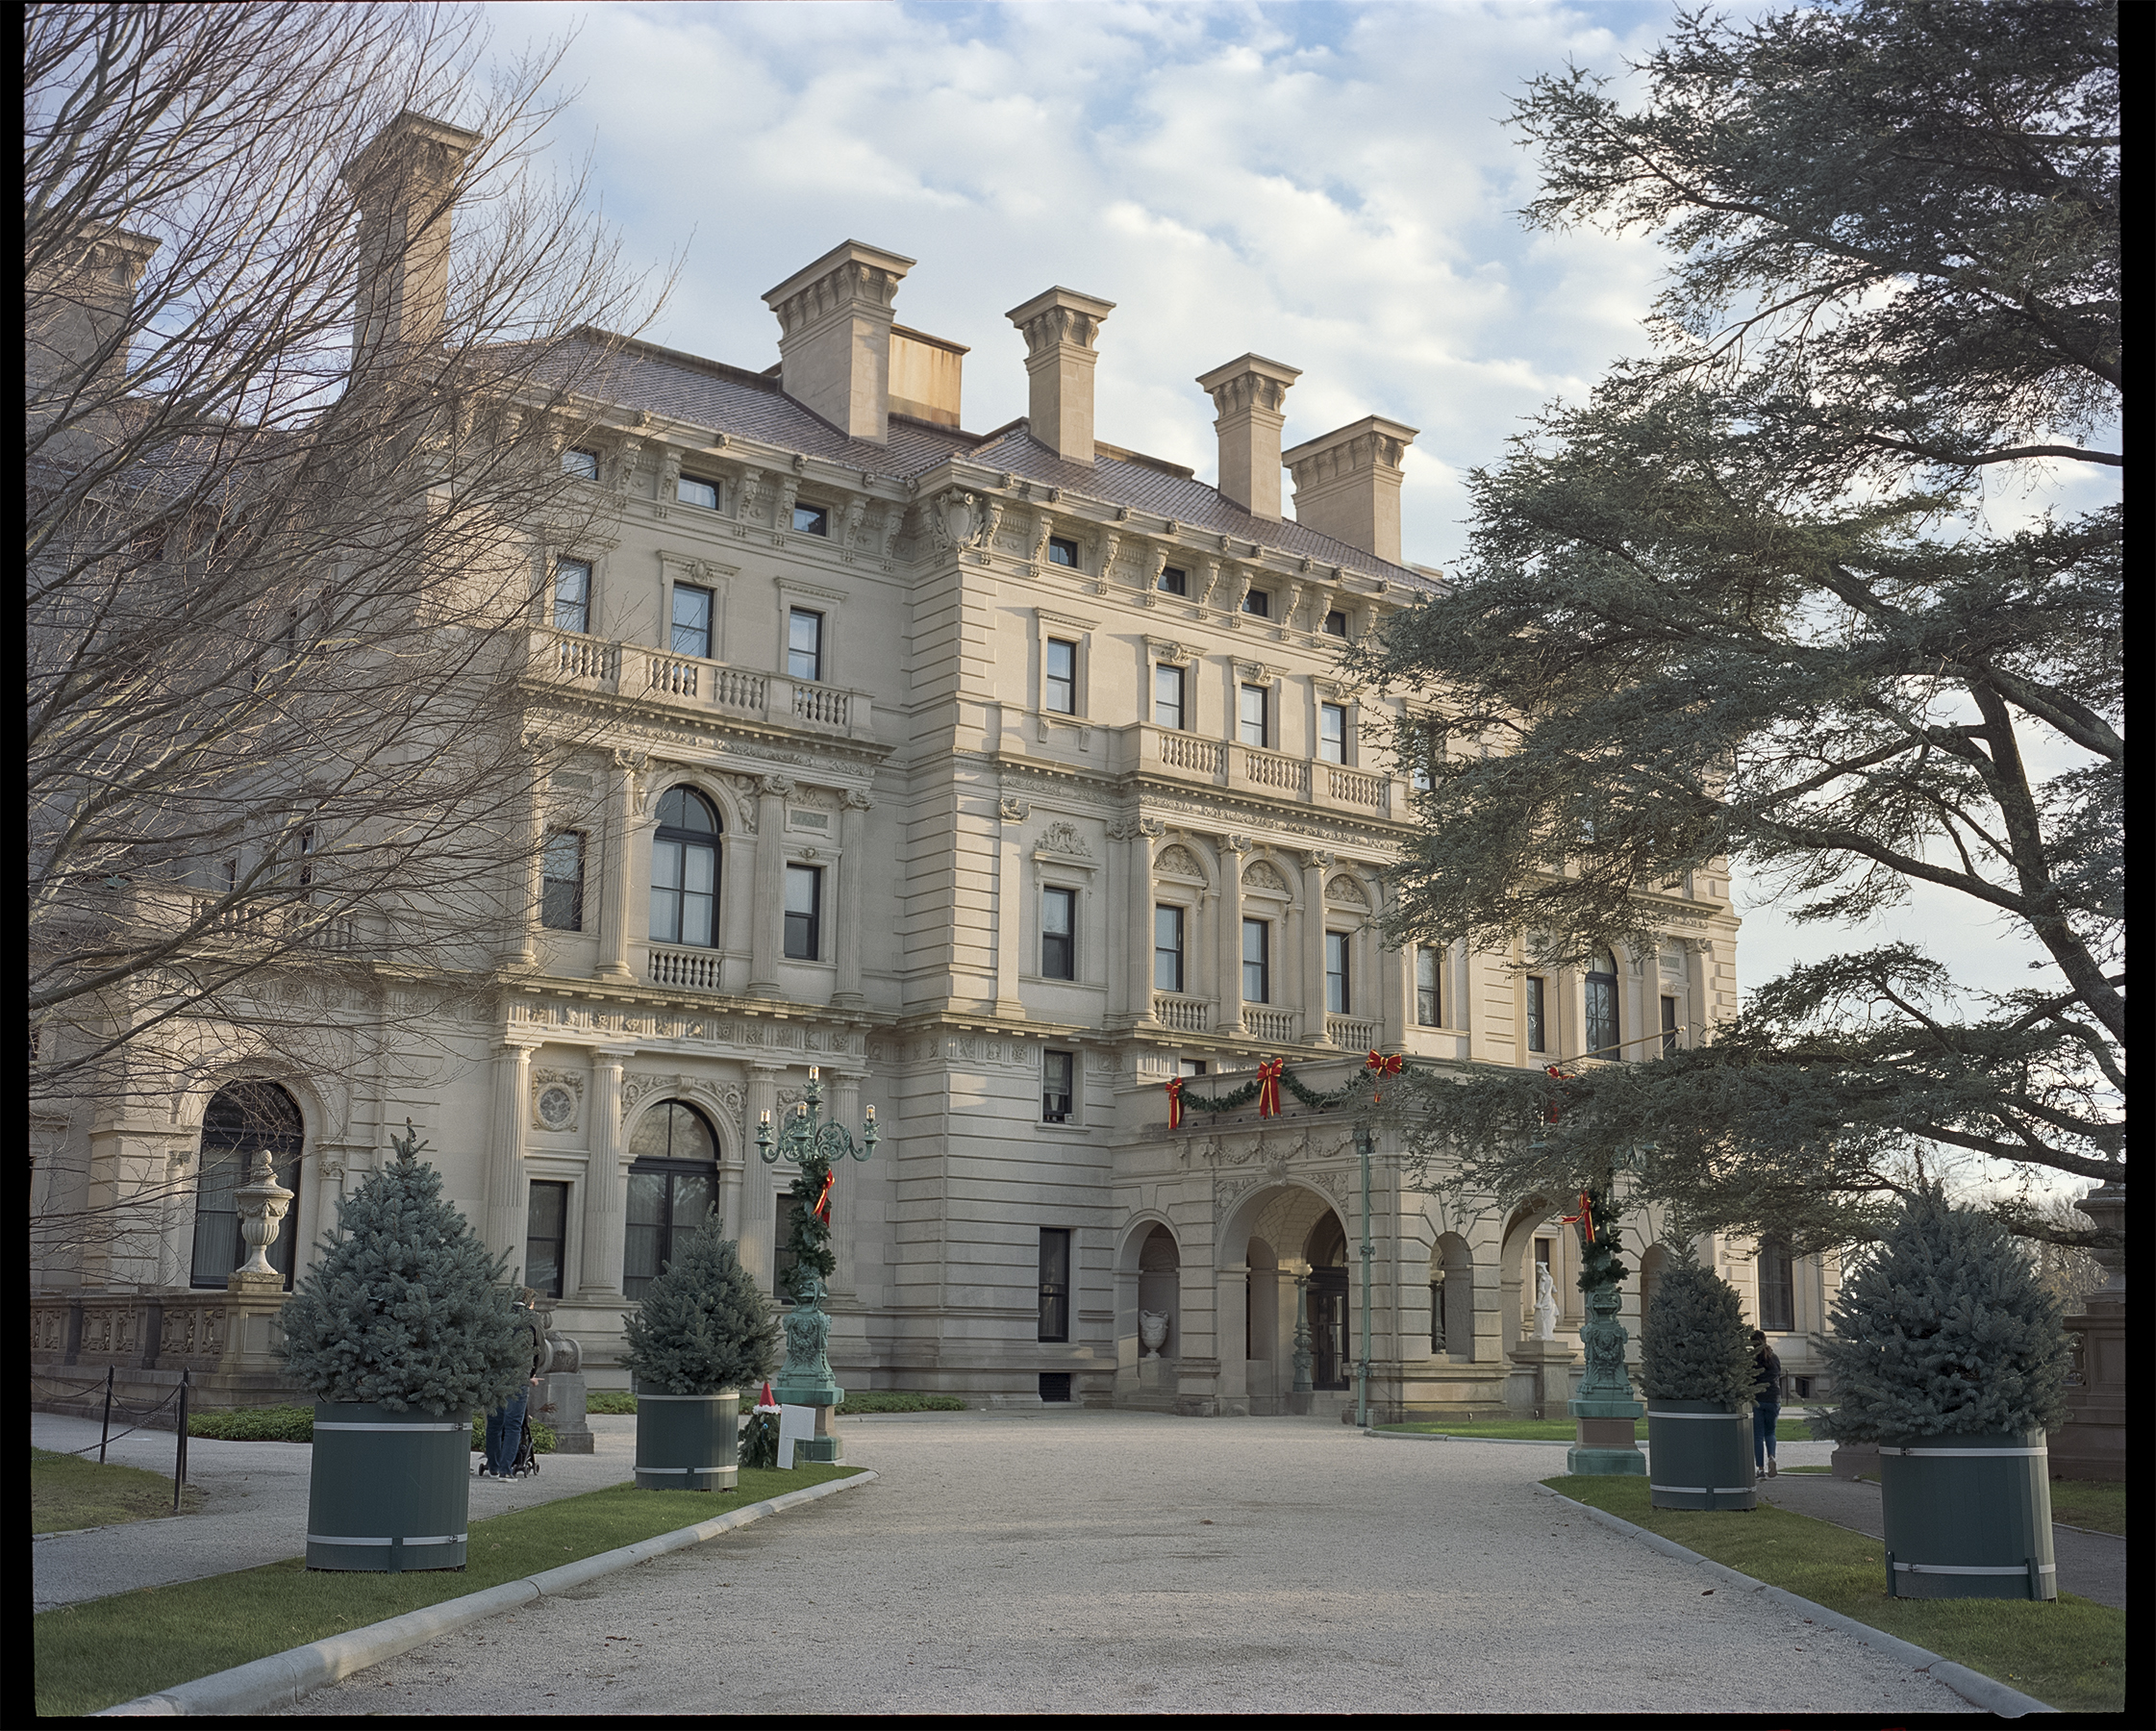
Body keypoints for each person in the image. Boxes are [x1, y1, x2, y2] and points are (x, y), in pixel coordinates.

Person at [480, 1288, 550, 1478]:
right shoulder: (533, 1318)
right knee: (513, 1425)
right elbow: (540, 1349)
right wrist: (531, 1373)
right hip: (519, 1377)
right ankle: (505, 1470)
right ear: (530, 1302)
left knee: (494, 1425)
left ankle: (493, 1466)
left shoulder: (497, 1315)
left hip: (495, 1377)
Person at [1750, 1327, 1783, 1478]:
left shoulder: (1752, 1359)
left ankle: (1760, 1469)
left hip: (1758, 1399)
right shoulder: (1774, 1357)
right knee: (1770, 1432)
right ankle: (1772, 1457)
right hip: (1774, 1398)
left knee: (1758, 1435)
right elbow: (1778, 1374)